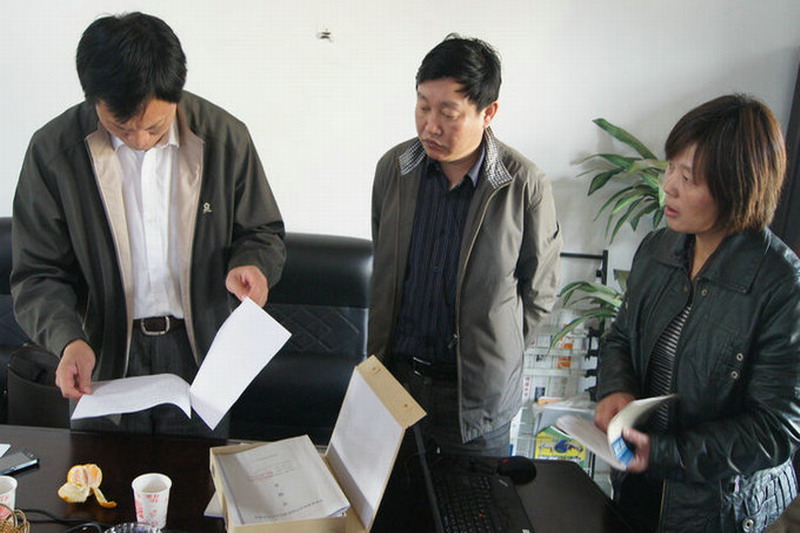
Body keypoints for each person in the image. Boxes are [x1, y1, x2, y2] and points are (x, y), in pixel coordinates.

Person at [10, 12, 286, 437]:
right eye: (121, 128)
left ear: (178, 91)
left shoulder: (225, 139)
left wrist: (253, 264)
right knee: (101, 475)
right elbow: (37, 272)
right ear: (93, 99)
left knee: (196, 475)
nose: (140, 140)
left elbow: (262, 231)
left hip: (201, 354)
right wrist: (68, 340)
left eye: (155, 127)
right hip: (100, 353)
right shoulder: (54, 152)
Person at [594, 94, 800, 532]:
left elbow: (774, 430)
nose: (668, 186)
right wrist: (616, 388)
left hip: (720, 511)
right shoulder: (659, 249)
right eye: (671, 167)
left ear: (737, 187)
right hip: (639, 487)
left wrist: (666, 453)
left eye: (688, 178)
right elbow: (621, 338)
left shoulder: (781, 285)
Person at [369, 35, 562, 456]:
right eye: (423, 106)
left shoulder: (523, 185)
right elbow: (385, 263)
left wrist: (493, 350)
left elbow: (539, 293)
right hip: (396, 386)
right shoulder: (394, 170)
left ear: (488, 113)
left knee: (476, 498)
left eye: (448, 113)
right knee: (393, 497)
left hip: (475, 402)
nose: (430, 126)